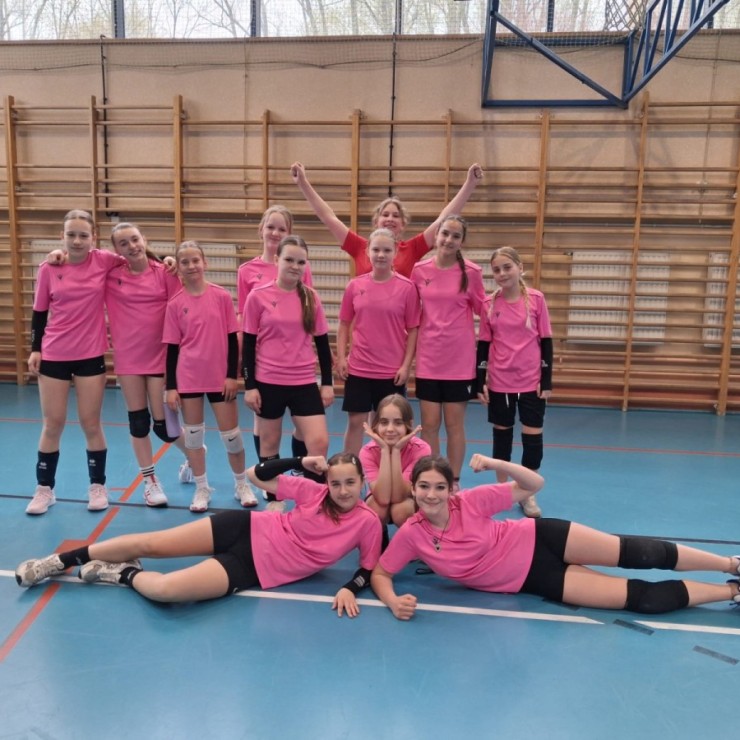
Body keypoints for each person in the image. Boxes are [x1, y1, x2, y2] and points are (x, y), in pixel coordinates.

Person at [371, 454, 740, 620]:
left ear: (451, 489)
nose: (431, 495)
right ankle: (733, 591)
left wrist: (497, 464)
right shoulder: (412, 534)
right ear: (413, 489)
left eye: (439, 487)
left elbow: (534, 483)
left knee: (636, 553)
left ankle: (730, 563)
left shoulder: (470, 501)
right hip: (536, 579)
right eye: (423, 487)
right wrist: (392, 601)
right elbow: (381, 573)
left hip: (542, 538)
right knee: (641, 599)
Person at [15, 454, 382, 617]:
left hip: (254, 568)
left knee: (167, 591)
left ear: (363, 482)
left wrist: (350, 588)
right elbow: (255, 475)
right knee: (151, 543)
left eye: (350, 482)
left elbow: (369, 569)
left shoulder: (367, 523)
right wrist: (300, 463)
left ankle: (121, 573)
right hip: (245, 527)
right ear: (326, 482)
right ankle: (58, 561)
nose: (343, 490)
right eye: (336, 482)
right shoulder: (312, 491)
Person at [25, 209, 126, 516]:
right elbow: (39, 312)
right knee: (52, 423)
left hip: (90, 355)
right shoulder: (49, 268)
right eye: (71, 235)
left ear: (93, 237)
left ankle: (97, 486)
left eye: (83, 235)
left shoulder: (104, 260)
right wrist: (35, 348)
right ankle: (44, 489)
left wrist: (167, 261)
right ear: (62, 236)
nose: (77, 241)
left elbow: (137, 258)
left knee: (91, 423)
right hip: (54, 354)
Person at [163, 240, 257, 513]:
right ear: (179, 268)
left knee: (232, 437)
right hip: (189, 377)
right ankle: (202, 487)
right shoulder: (175, 304)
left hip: (219, 379)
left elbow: (232, 339)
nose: (191, 266)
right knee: (193, 437)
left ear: (205, 262)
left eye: (196, 260)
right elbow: (172, 348)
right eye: (185, 262)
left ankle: (241, 484)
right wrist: (171, 387)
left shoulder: (221, 296)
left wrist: (231, 376)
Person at [243, 235, 334, 512]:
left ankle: (311, 500)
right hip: (268, 382)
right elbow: (248, 344)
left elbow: (322, 343)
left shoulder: (310, 298)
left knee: (318, 441)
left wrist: (327, 383)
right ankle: (275, 499)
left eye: (301, 262)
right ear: (277, 260)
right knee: (269, 443)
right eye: (289, 260)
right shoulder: (258, 296)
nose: (295, 266)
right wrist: (250, 385)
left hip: (303, 382)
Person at [106, 222, 191, 507]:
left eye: (135, 239)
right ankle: (150, 482)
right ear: (116, 250)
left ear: (144, 239)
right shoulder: (111, 275)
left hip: (159, 357)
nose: (131, 246)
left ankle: (194, 453)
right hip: (128, 359)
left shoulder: (164, 273)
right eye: (123, 243)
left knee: (163, 427)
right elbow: (83, 259)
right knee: (138, 422)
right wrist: (58, 254)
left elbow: (180, 312)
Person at [290, 161, 483, 277]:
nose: (390, 219)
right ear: (376, 222)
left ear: (403, 225)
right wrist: (303, 183)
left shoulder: (412, 248)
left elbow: (443, 219)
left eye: (396, 216)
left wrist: (470, 184)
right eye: (385, 214)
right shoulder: (359, 246)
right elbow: (328, 217)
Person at [476, 246, 553, 518]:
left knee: (532, 438)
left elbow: (546, 342)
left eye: (507, 267)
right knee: (502, 437)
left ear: (520, 268)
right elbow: (483, 345)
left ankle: (528, 493)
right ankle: (502, 491)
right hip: (500, 382)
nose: (502, 273)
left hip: (531, 382)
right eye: (496, 269)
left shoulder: (536, 299)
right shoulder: (489, 304)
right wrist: (480, 380)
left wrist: (546, 379)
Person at [410, 215, 486, 489]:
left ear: (462, 241)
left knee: (454, 425)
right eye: (445, 233)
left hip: (459, 363)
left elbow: (485, 313)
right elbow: (411, 314)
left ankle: (453, 481)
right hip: (428, 360)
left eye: (456, 236)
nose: (449, 240)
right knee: (429, 424)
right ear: (437, 235)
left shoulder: (472, 273)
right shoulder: (419, 270)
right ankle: (433, 479)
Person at [237, 206, 314, 462]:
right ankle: (267, 473)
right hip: (264, 361)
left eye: (282, 229)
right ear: (261, 229)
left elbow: (308, 309)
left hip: (295, 360)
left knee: (303, 425)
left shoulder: (301, 267)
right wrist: (242, 358)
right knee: (263, 423)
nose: (275, 233)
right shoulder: (247, 270)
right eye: (271, 227)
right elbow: (243, 317)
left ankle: (297, 468)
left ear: (289, 233)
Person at [336, 228, 421, 454]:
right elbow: (344, 324)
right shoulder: (355, 286)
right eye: (376, 250)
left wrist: (406, 366)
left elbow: (413, 329)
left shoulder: (407, 288)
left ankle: (386, 470)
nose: (381, 255)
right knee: (356, 423)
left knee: (388, 427)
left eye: (386, 250)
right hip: (359, 369)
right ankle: (351, 468)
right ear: (367, 252)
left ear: (395, 253)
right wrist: (342, 357)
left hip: (391, 372)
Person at [360, 394, 430, 529]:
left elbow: (398, 496)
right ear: (376, 424)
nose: (390, 429)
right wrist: (384, 450)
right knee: (376, 509)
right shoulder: (368, 451)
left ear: (409, 425)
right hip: (380, 496)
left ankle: (412, 537)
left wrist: (396, 451)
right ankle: (379, 533)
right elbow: (383, 498)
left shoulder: (421, 449)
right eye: (384, 422)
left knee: (401, 511)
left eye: (398, 423)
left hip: (406, 498)